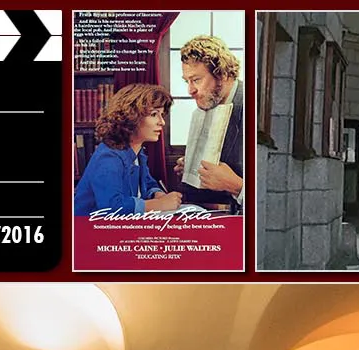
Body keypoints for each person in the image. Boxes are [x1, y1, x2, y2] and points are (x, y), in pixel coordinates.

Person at [73, 83, 183, 216]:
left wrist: (158, 194)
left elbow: (147, 182)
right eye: (154, 114)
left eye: (162, 114)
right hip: (89, 230)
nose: (162, 122)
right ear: (132, 117)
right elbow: (110, 207)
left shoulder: (137, 152)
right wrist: (159, 204)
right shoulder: (108, 157)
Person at [172, 35, 245, 214]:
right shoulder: (210, 102)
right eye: (186, 81)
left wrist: (237, 186)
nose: (190, 90)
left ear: (223, 74)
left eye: (196, 80)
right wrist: (191, 166)